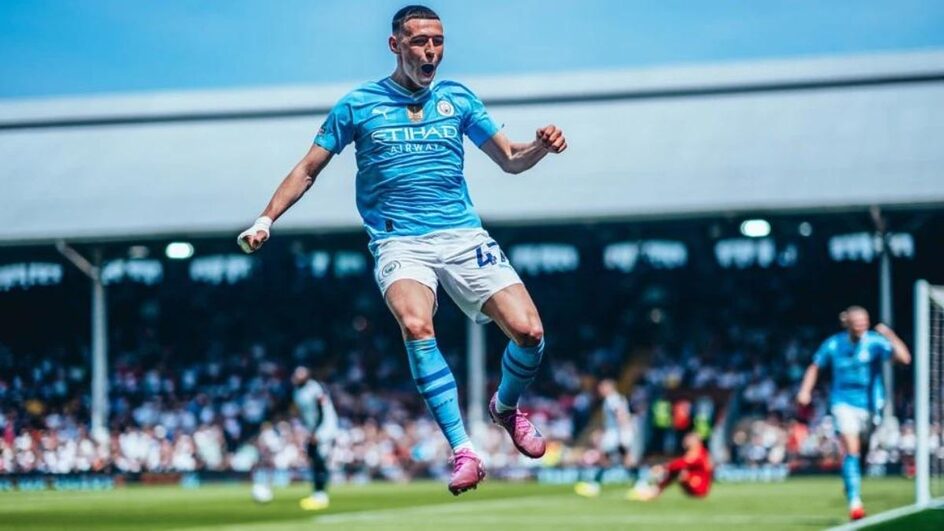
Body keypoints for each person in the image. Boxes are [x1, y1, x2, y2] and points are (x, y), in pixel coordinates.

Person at [237, 5, 567, 495]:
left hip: (462, 236)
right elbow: (308, 168)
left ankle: (504, 408)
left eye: (437, 40)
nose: (430, 50)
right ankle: (464, 450)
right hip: (399, 241)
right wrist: (266, 220)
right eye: (418, 41)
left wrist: (540, 145)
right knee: (415, 323)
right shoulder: (358, 105)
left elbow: (511, 159)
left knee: (530, 332)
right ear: (396, 45)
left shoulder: (458, 99)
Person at [795, 306, 911, 521]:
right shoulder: (833, 344)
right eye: (856, 321)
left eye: (864, 321)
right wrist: (805, 390)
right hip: (843, 404)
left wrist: (890, 335)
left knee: (862, 454)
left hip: (871, 405)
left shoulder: (875, 342)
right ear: (846, 322)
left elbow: (904, 359)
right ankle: (855, 502)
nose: (861, 324)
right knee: (852, 450)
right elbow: (815, 367)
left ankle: (852, 480)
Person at [575, 379, 634, 497]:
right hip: (617, 432)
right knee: (619, 459)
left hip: (617, 433)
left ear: (609, 387)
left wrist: (623, 432)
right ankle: (638, 482)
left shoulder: (613, 399)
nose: (600, 390)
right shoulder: (616, 398)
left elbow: (620, 414)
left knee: (606, 457)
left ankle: (595, 484)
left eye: (602, 387)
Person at [292, 367, 339, 511]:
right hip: (313, 429)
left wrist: (316, 432)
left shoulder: (314, 388)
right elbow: (304, 415)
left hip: (325, 428)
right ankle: (317, 493)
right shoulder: (297, 392)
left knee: (320, 460)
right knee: (314, 458)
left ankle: (321, 495)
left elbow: (322, 411)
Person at [627, 432, 712, 501]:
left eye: (688, 439)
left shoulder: (699, 453)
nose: (685, 441)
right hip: (695, 484)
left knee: (679, 472)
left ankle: (653, 491)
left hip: (698, 486)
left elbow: (681, 463)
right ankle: (654, 490)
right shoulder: (699, 452)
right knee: (677, 472)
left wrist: (663, 467)